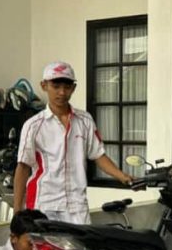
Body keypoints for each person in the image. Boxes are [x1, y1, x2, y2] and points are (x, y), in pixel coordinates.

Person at [13, 61, 132, 224]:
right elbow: (23, 167)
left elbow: (98, 155)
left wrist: (122, 176)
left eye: (67, 87)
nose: (62, 92)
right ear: (44, 86)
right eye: (56, 86)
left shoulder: (84, 120)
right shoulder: (33, 125)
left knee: (82, 241)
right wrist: (17, 211)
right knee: (45, 242)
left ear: (73, 88)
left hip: (77, 205)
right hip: (44, 204)